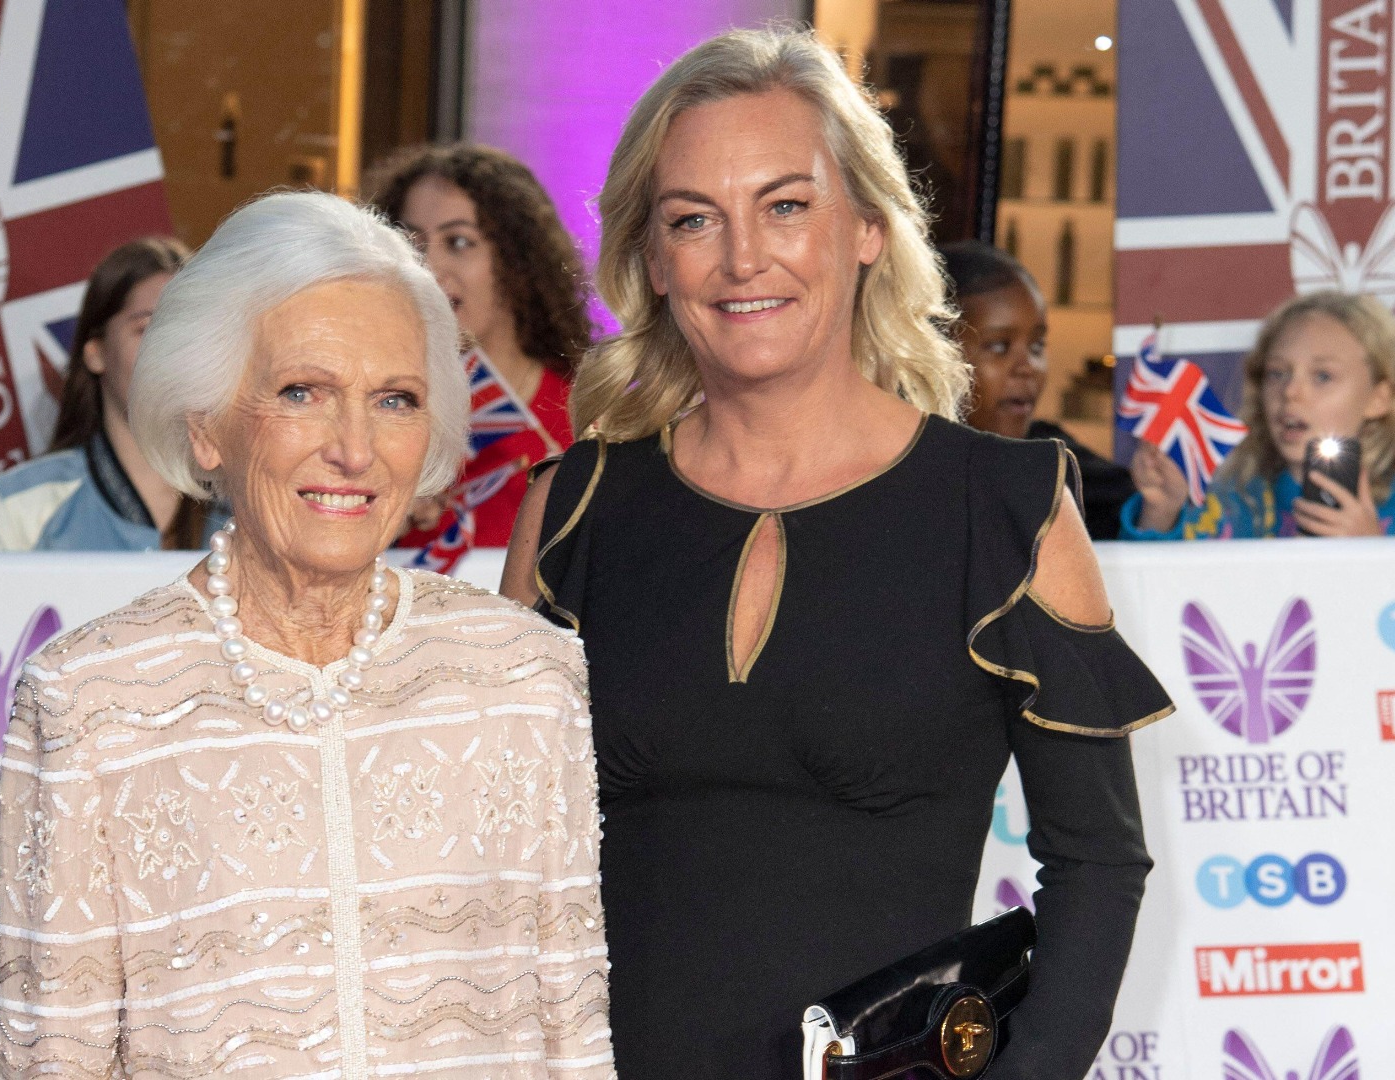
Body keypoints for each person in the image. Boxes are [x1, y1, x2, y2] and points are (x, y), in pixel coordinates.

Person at [499, 28, 1170, 1080]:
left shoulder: (1004, 510)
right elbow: (509, 867)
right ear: (651, 258)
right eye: (692, 220)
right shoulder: (571, 509)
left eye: (785, 205)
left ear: (865, 226)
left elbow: (1097, 859)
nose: (741, 258)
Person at [0, 192, 614, 1079]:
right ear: (206, 424)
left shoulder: (524, 678)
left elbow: (574, 1037)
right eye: (302, 393)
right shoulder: (92, 700)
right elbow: (52, 1059)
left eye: (396, 399)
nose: (355, 449)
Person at [365, 143, 593, 566]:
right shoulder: (364, 419)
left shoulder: (588, 421)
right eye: (410, 243)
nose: (426, 267)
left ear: (516, 263)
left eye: (458, 242)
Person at [0, 237, 228, 550]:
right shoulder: (13, 512)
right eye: (147, 328)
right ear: (95, 353)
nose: (168, 350)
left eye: (185, 330)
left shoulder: (250, 499)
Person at [1124, 291, 1395, 539]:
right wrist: (1161, 512)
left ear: (1379, 398)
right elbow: (1147, 604)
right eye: (1277, 373)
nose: (1290, 392)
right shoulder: (1227, 508)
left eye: (1322, 376)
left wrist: (1369, 553)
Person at [941, 240, 1135, 539]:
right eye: (998, 346)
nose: (1026, 367)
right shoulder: (899, 467)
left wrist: (1157, 512)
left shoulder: (1055, 462)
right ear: (935, 351)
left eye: (1037, 346)